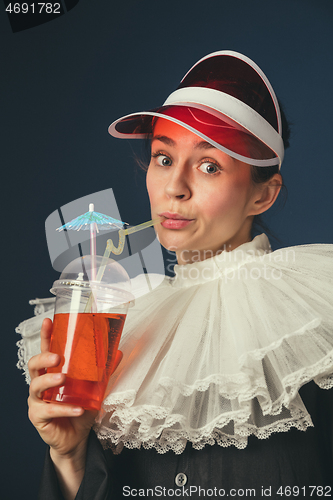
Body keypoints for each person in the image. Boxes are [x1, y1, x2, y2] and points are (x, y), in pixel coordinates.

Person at [21, 51, 333, 499]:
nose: (175, 187)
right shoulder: (120, 323)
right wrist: (70, 457)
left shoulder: (318, 319)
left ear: (264, 195)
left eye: (209, 166)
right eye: (163, 158)